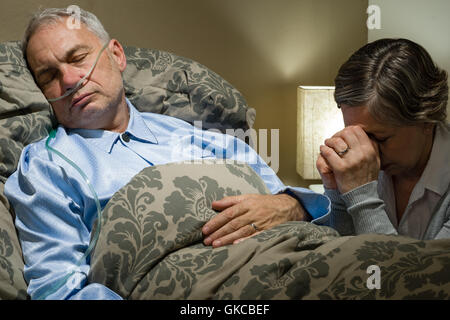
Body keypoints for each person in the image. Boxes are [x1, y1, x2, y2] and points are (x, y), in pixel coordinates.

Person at [4, 8, 330, 300]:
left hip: (302, 256)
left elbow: (311, 216)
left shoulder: (204, 138)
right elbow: (57, 289)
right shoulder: (48, 167)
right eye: (49, 76)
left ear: (116, 55)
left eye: (78, 58)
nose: (70, 80)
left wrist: (294, 205)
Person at [316, 38, 449, 240]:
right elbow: (343, 259)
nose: (367, 151)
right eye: (357, 135)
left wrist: (362, 197)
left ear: (427, 120)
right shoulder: (361, 164)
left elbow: (399, 270)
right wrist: (337, 194)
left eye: (380, 138)